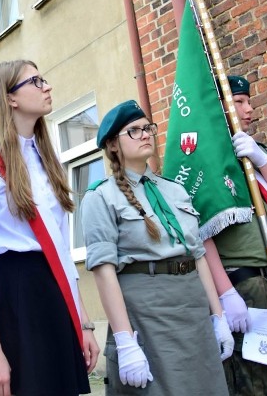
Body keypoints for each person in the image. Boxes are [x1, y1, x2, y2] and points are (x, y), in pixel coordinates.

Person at [0, 60, 99, 396]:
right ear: (10, 98)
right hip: (13, 299)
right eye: (35, 81)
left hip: (53, 294)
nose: (46, 86)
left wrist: (85, 322)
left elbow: (62, 253)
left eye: (43, 79)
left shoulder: (46, 159)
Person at [82, 100, 233, 395]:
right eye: (134, 131)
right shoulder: (101, 197)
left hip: (192, 305)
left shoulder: (174, 189)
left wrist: (218, 316)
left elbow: (198, 255)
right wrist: (125, 341)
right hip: (148, 311)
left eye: (147, 128)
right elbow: (103, 271)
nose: (145, 134)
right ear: (113, 145)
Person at [201, 75, 267, 395]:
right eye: (239, 102)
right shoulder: (207, 161)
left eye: (248, 101)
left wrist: (261, 161)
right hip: (246, 286)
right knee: (257, 382)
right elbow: (200, 235)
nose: (249, 109)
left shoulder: (256, 151)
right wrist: (224, 294)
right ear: (219, 108)